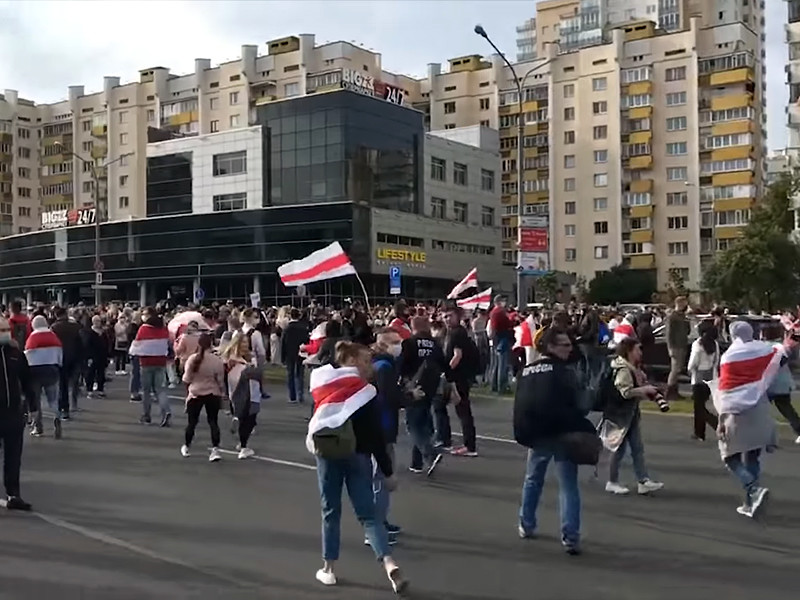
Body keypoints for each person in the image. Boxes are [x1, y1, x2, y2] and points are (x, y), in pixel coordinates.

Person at [307, 341, 407, 593]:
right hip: (359, 456)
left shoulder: (323, 385)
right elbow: (376, 435)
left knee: (330, 511)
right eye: (365, 361)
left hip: (329, 455)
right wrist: (387, 471)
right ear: (350, 360)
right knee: (368, 515)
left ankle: (329, 568)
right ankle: (389, 563)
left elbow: (317, 421)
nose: (370, 366)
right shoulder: (366, 392)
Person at [513, 326, 596, 555]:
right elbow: (582, 404)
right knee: (568, 485)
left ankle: (526, 523)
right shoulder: (566, 372)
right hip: (563, 432)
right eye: (565, 345)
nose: (570, 349)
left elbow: (521, 404)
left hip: (536, 433)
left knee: (533, 479)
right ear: (550, 346)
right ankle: (570, 536)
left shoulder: (526, 370)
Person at [714, 321, 794, 518]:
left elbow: (725, 391)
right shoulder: (764, 349)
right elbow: (782, 354)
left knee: (729, 456)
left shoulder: (729, 356)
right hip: (760, 409)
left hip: (735, 413)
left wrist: (721, 421)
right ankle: (751, 503)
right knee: (752, 457)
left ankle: (753, 489)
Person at [599, 337, 664, 496]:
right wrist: (643, 390)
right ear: (629, 351)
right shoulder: (623, 369)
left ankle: (643, 480)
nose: (640, 352)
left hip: (629, 414)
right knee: (617, 449)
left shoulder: (632, 368)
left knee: (637, 448)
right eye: (638, 349)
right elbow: (625, 392)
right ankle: (612, 482)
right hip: (618, 415)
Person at [398, 316, 446, 476]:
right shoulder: (435, 344)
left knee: (413, 425)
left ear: (413, 327)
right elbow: (443, 365)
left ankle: (430, 453)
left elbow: (401, 365)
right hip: (431, 387)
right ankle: (416, 462)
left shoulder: (409, 343)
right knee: (423, 422)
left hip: (413, 386)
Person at [371, 328, 404, 543]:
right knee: (381, 477)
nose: (399, 346)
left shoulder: (384, 365)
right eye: (395, 342)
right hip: (382, 426)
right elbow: (388, 398)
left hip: (383, 425)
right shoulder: (383, 367)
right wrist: (409, 397)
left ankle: (381, 519)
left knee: (382, 477)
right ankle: (375, 527)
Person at [0, 316, 34, 511]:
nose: (4, 334)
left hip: (13, 412)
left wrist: (32, 405)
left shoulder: (15, 354)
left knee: (13, 457)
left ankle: (14, 494)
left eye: (5, 330)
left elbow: (27, 380)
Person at [439, 306, 478, 457]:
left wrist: (446, 371)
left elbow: (457, 355)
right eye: (445, 316)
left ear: (457, 316)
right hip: (458, 376)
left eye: (450, 316)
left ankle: (469, 445)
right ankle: (465, 443)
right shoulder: (452, 332)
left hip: (458, 377)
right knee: (459, 409)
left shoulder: (457, 333)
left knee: (463, 410)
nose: (447, 319)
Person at [181, 333, 225, 462]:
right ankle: (215, 449)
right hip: (212, 392)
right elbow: (220, 380)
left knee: (192, 422)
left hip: (195, 392)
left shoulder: (192, 359)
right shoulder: (216, 361)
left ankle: (187, 446)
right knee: (213, 422)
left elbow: (187, 379)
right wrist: (222, 393)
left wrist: (188, 391)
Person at [223, 330, 264, 459]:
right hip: (241, 391)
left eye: (247, 342)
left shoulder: (250, 357)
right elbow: (253, 373)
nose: (245, 345)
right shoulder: (232, 359)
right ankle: (244, 446)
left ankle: (242, 440)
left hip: (252, 391)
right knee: (248, 419)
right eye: (243, 342)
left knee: (248, 418)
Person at [129, 307, 172, 427]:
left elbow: (136, 346)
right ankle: (166, 411)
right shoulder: (163, 328)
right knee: (160, 389)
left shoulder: (144, 329)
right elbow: (167, 343)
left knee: (146, 391)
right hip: (161, 362)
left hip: (146, 363)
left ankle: (146, 415)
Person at [688, 321, 720, 441]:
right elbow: (717, 360)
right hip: (710, 375)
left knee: (699, 407)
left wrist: (689, 369)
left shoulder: (698, 344)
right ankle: (699, 433)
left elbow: (694, 361)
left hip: (698, 376)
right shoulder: (715, 344)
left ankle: (715, 423)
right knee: (700, 405)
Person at [51, 306, 83, 419]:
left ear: (56, 315)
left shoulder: (54, 328)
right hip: (75, 357)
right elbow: (81, 343)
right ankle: (74, 403)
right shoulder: (76, 327)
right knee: (75, 382)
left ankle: (64, 409)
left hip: (61, 358)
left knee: (62, 384)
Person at [281, 308, 309, 405]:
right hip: (301, 353)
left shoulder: (287, 329)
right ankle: (300, 394)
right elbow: (307, 341)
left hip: (289, 354)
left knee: (290, 375)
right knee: (300, 374)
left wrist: (282, 357)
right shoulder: (303, 328)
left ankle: (292, 396)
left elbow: (283, 343)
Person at [665, 296, 690, 400]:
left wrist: (687, 320)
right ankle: (669, 391)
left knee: (678, 369)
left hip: (682, 345)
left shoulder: (683, 316)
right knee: (675, 369)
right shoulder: (672, 316)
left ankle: (675, 391)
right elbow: (669, 333)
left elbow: (687, 331)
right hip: (675, 346)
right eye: (684, 304)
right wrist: (670, 347)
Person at [489, 295, 514, 394]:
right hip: (502, 337)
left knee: (496, 364)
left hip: (497, 338)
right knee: (503, 364)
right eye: (504, 300)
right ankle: (502, 387)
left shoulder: (493, 312)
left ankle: (494, 385)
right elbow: (507, 323)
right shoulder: (500, 312)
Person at [81, 315, 109, 399]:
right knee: (90, 374)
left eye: (99, 321)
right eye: (96, 321)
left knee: (101, 374)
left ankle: (100, 390)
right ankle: (89, 390)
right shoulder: (89, 332)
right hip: (92, 356)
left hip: (102, 356)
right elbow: (86, 345)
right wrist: (88, 357)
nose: (98, 323)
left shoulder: (103, 332)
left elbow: (107, 343)